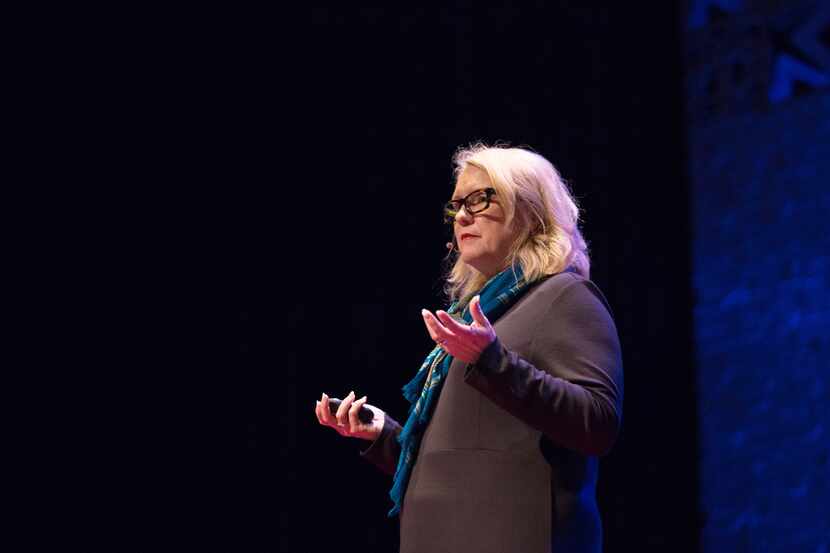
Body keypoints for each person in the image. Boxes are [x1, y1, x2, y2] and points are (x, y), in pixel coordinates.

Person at [314, 143, 623, 553]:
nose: (462, 216)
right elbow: (471, 459)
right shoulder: (479, 314)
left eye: (480, 199)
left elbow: (598, 425)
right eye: (457, 205)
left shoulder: (565, 297)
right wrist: (388, 435)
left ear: (529, 209)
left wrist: (493, 361)